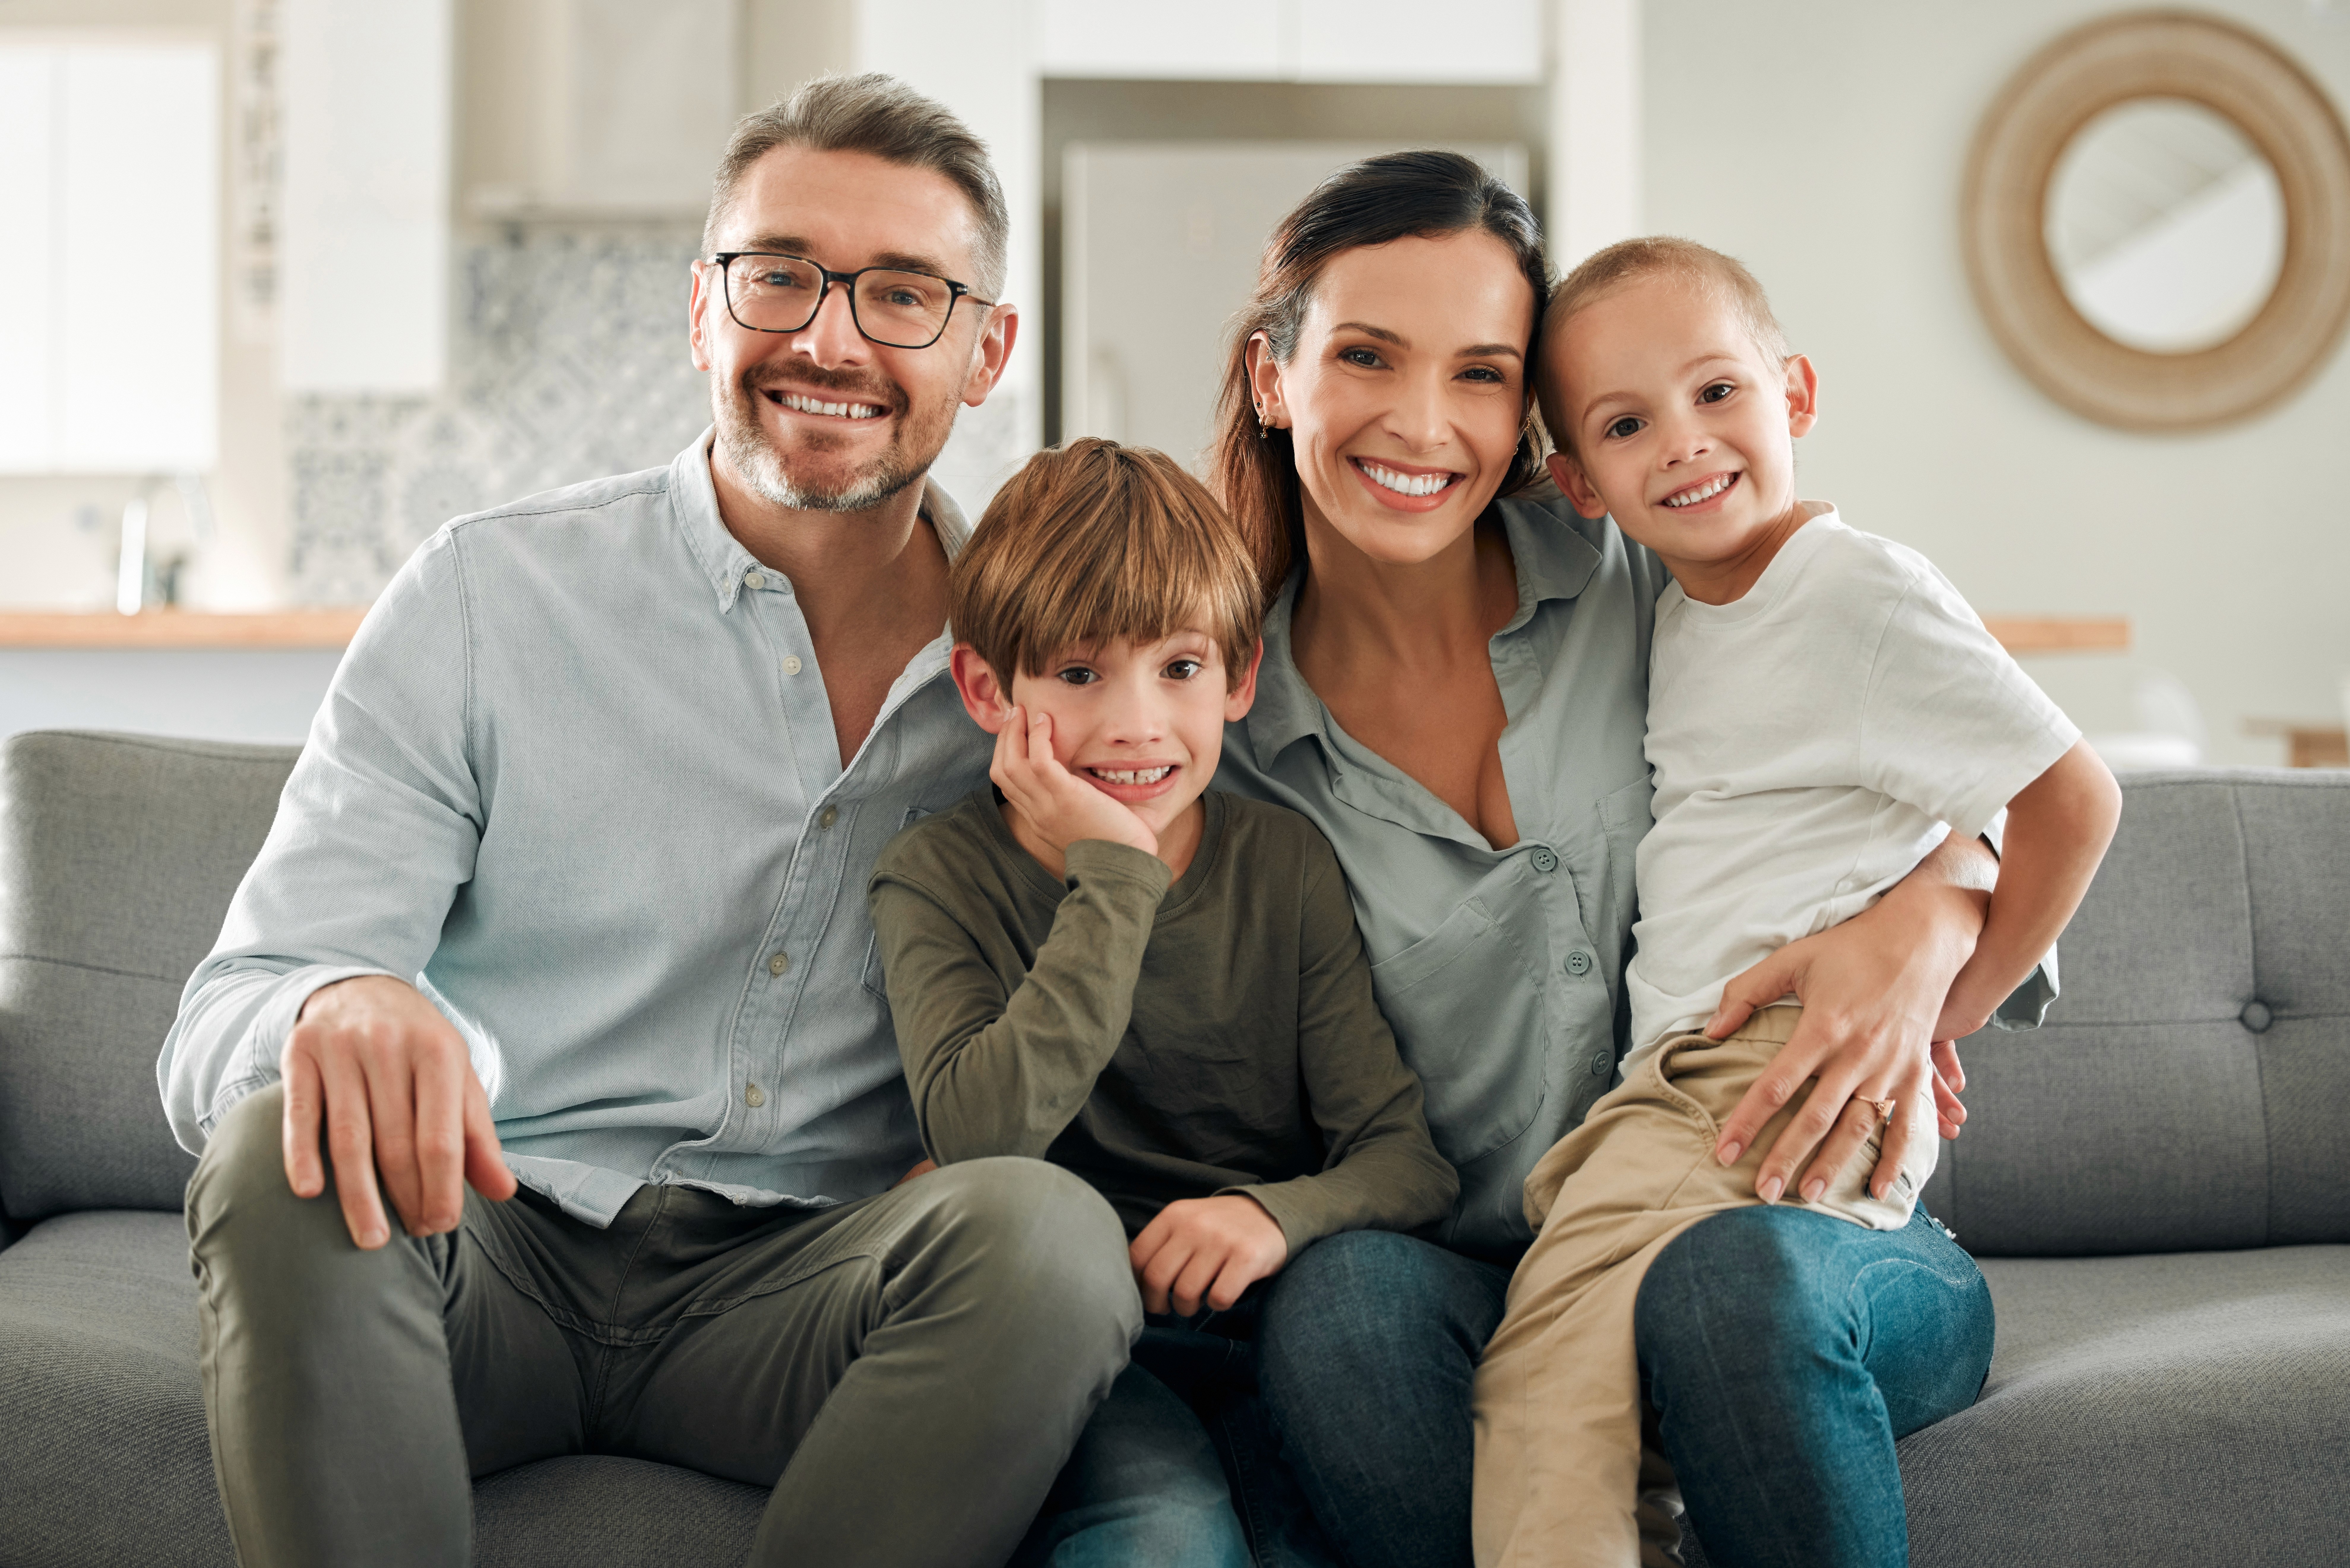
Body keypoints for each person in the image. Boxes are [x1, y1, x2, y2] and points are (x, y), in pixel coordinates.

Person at [156, 75, 1150, 1568]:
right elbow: (217, 1022)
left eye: (901, 295)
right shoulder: (487, 596)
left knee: (1053, 1242)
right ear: (703, 310)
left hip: (812, 1289)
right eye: (779, 276)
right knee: (267, 1150)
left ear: (987, 348)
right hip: (484, 1241)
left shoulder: (1063, 664)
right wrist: (339, 1002)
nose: (828, 337)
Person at [1207, 150, 2050, 1568]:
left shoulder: (1648, 562)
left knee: (1734, 1285)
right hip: (1481, 1276)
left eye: (1479, 372)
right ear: (1270, 377)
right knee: (1339, 1311)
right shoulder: (1218, 737)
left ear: (1533, 433)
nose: (1423, 421)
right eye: (1365, 355)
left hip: (1792, 1233)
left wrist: (1933, 907)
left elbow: (1969, 752)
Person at [1469, 237, 2124, 1568]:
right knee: (1605, 1395)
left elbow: (2074, 798)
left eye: (1718, 394)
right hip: (1694, 1083)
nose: (1683, 443)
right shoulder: (1688, 606)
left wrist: (1956, 997)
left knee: (1541, 1378)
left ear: (1795, 396)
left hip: (1756, 1071)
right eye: (1624, 424)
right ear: (1576, 485)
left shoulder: (1854, 591)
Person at [867, 436, 1457, 1566]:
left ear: (1240, 677)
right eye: (1082, 675)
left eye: (1180, 670)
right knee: (1169, 1543)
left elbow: (1405, 1161)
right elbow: (980, 1135)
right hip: (1080, 1342)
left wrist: (1272, 1214)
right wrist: (1117, 879)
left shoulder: (1280, 865)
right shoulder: (935, 875)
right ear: (990, 691)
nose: (1139, 725)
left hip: (1274, 1321)